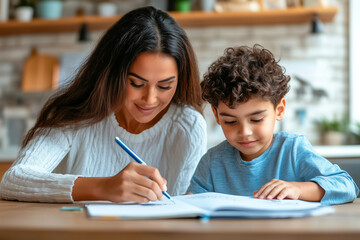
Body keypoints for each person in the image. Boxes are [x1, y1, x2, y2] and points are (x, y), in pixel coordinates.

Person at [0, 6, 207, 203]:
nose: (150, 99)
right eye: (136, 83)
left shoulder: (188, 127)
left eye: (164, 86)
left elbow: (179, 210)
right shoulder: (77, 112)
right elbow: (13, 180)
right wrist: (104, 187)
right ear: (112, 74)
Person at [187, 44, 359, 205]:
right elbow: (192, 204)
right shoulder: (211, 162)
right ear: (217, 116)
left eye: (256, 119)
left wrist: (298, 189)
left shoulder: (292, 150)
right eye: (231, 121)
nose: (245, 132)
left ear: (279, 109)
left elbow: (346, 186)